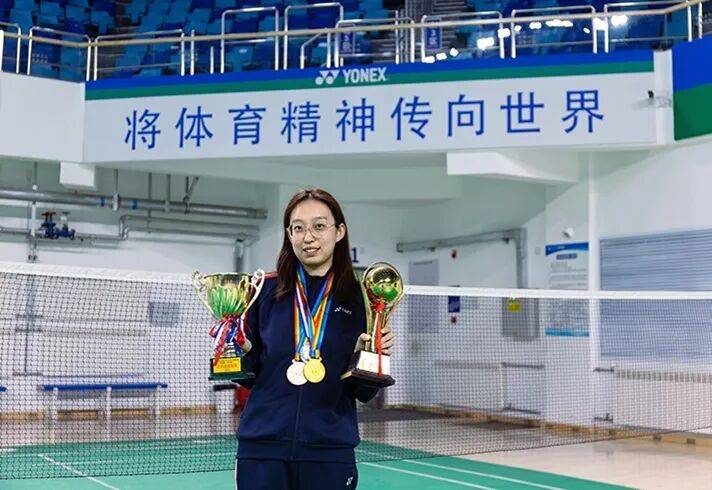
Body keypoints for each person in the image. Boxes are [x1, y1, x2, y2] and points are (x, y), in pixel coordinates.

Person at [234, 188, 395, 490]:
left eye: (319, 226)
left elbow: (364, 393)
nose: (308, 237)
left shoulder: (363, 300)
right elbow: (248, 376)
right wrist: (239, 347)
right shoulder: (262, 291)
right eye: (298, 228)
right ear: (289, 234)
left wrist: (363, 358)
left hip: (329, 451)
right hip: (262, 451)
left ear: (339, 231)